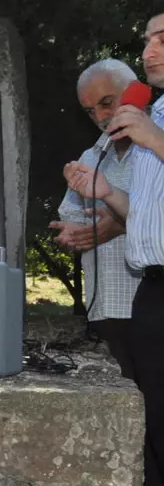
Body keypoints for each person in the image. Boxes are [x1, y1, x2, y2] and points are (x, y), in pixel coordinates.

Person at [63, 1, 164, 486]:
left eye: (163, 40)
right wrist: (103, 194)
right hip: (149, 288)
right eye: (148, 38)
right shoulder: (155, 120)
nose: (150, 50)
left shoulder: (151, 128)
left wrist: (150, 137)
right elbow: (144, 210)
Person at [49, 60, 141, 378]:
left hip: (148, 300)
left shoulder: (154, 147)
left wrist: (117, 223)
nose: (101, 117)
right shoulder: (91, 157)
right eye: (90, 111)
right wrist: (73, 234)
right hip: (106, 305)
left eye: (106, 102)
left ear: (136, 93)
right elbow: (72, 214)